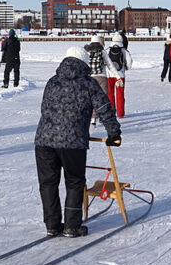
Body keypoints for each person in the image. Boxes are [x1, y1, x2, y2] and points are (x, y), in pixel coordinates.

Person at [34, 47, 121, 238]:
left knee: (48, 183)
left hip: (44, 140)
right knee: (74, 182)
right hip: (72, 142)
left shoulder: (52, 82)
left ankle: (52, 225)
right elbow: (105, 108)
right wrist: (114, 133)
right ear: (84, 63)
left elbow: (45, 108)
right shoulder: (88, 84)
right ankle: (72, 226)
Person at [104, 33, 133, 117]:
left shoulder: (108, 50)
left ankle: (112, 112)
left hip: (109, 75)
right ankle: (120, 113)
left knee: (110, 93)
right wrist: (125, 68)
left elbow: (105, 61)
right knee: (120, 94)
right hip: (120, 76)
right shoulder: (124, 50)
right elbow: (129, 62)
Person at [84, 36, 109, 120]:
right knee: (103, 98)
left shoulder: (87, 52)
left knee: (91, 98)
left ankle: (93, 118)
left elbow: (84, 65)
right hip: (102, 77)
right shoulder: (102, 52)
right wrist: (118, 76)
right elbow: (110, 65)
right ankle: (103, 116)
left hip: (91, 78)